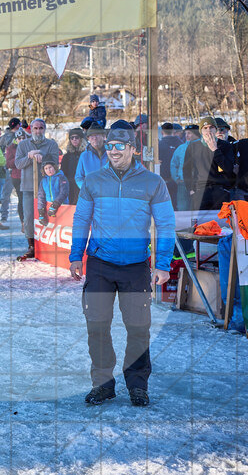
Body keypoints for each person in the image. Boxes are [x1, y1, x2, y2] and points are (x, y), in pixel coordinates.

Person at [69, 120, 174, 407]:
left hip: (136, 266)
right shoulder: (93, 181)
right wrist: (76, 255)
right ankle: (103, 384)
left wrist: (163, 264)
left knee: (138, 328)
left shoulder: (153, 182)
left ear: (132, 148)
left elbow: (165, 224)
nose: (113, 151)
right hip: (100, 264)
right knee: (97, 326)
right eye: (110, 145)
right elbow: (81, 219)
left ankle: (138, 386)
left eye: (119, 146)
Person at [15, 118, 61, 260]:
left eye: (41, 128)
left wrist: (43, 156)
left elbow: (55, 163)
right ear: (31, 129)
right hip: (28, 186)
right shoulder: (23, 145)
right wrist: (30, 157)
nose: (38, 131)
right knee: (29, 216)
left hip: (47, 187)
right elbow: (18, 164)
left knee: (47, 215)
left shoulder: (51, 144)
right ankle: (31, 245)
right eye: (35, 128)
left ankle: (47, 244)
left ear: (44, 129)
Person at [184, 117, 234, 212]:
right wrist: (191, 189)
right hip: (200, 190)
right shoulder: (193, 147)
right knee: (201, 220)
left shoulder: (225, 145)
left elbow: (228, 168)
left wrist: (215, 149)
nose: (208, 130)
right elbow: (186, 170)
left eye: (211, 127)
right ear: (201, 131)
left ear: (215, 129)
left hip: (220, 190)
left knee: (221, 219)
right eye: (205, 128)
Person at [37, 159, 70, 225]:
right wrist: (41, 213)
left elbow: (64, 192)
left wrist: (55, 205)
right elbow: (41, 196)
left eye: (50, 167)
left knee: (62, 224)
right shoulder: (43, 180)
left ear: (54, 167)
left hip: (61, 205)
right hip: (49, 207)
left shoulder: (61, 177)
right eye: (46, 168)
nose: (48, 170)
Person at [75, 125, 107, 189]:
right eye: (91, 136)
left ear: (103, 136)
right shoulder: (84, 156)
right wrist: (86, 189)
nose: (94, 138)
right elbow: (79, 177)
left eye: (97, 135)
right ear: (88, 138)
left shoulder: (112, 153)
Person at [157, 123, 182, 207]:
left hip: (163, 180)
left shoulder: (158, 145)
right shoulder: (181, 144)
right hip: (178, 180)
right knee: (177, 204)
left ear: (162, 132)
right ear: (173, 131)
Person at [60, 128, 85, 204]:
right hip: (71, 188)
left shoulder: (87, 154)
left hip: (83, 186)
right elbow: (63, 173)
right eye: (72, 138)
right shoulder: (66, 156)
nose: (74, 139)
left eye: (76, 137)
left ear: (81, 139)